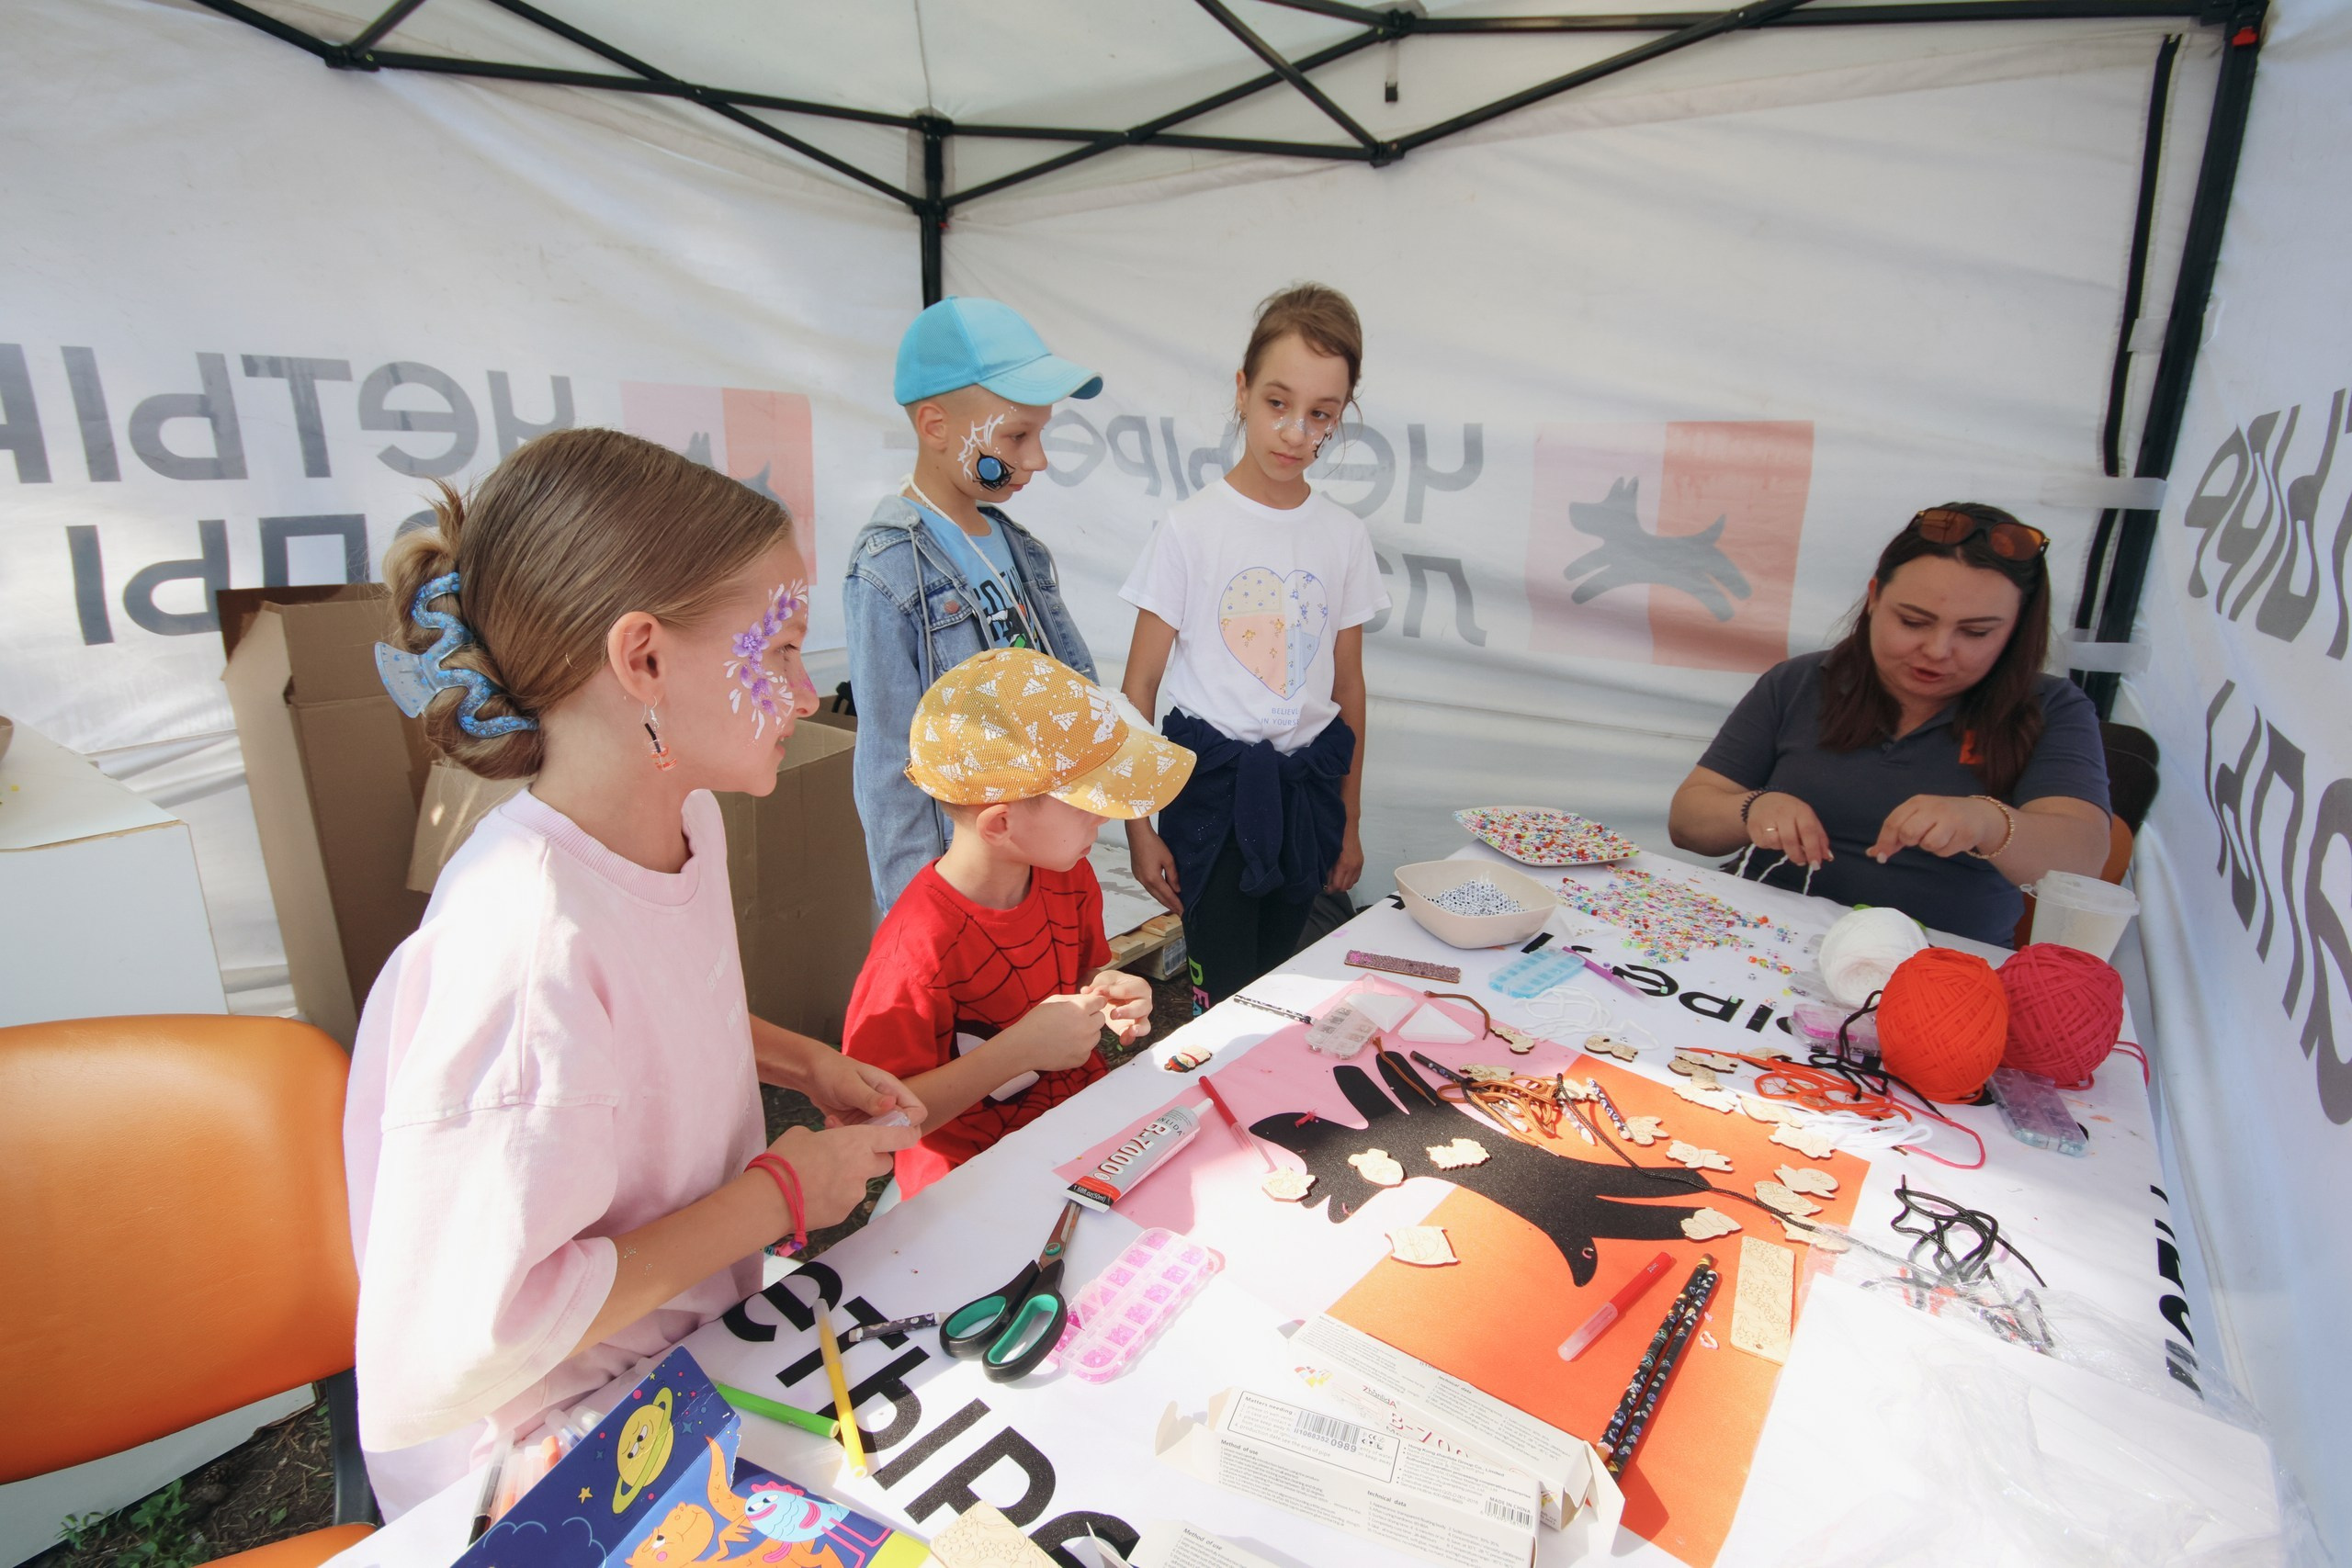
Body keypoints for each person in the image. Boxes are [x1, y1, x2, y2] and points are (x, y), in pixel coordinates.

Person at [345, 429, 922, 1517]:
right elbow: (467, 1346)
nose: (805, 696)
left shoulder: (679, 813)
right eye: (782, 650)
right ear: (643, 659)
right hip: (539, 1452)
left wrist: (802, 1061)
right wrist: (783, 1194)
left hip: (694, 1347)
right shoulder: (520, 950)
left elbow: (661, 991)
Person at [1119, 283, 1389, 1011]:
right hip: (1212, 797)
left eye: (1320, 415)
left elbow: (1350, 688)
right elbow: (1139, 684)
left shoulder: (1344, 536)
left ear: (1341, 417)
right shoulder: (1189, 528)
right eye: (1278, 402)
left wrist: (1350, 820)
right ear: (1241, 392)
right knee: (1225, 993)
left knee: (1277, 982)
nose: (1296, 431)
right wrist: (1137, 830)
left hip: (1306, 797)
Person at [1668, 503, 2111, 946]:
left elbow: (2081, 861)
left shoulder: (2050, 709)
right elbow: (1687, 822)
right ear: (1875, 595)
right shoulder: (1800, 682)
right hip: (1759, 936)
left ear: (2016, 628)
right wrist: (1752, 808)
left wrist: (1987, 821)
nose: (1938, 650)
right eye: (1913, 621)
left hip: (1936, 963)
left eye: (1976, 633)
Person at [842, 648, 1193, 1201]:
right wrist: (1017, 1051)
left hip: (1085, 1134)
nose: (1104, 815)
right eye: (1086, 798)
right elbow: (872, 1121)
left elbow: (1080, 981)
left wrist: (1113, 995)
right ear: (1001, 824)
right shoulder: (913, 954)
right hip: (967, 1187)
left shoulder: (1069, 876)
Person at [845, 296, 1105, 913]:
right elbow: (889, 764)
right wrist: (914, 916)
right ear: (936, 425)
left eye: (1039, 434)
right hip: (958, 889)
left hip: (1038, 868)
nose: (1037, 459)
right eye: (1019, 435)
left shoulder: (1022, 549)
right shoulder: (888, 566)